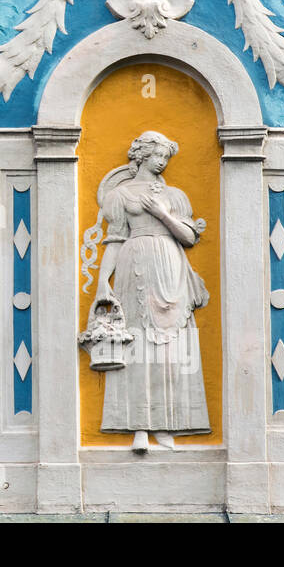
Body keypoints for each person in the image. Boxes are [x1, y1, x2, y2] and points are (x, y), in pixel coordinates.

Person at [86, 130, 211, 451]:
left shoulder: (175, 196)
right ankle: (139, 425)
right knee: (136, 346)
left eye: (166, 158)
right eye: (158, 156)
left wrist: (161, 212)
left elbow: (187, 236)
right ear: (142, 155)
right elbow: (114, 240)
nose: (163, 162)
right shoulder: (121, 195)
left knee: (170, 351)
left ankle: (167, 424)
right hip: (134, 266)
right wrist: (103, 282)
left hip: (170, 268)